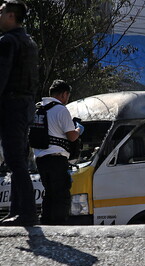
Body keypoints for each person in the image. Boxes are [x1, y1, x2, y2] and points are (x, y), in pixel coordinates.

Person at [0, 0, 39, 226]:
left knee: (15, 160)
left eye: (1, 12)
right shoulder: (29, 42)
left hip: (12, 106)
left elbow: (1, 78)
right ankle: (16, 211)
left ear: (11, 16)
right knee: (18, 160)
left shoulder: (8, 42)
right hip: (25, 106)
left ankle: (27, 213)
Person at [33, 80, 83, 225]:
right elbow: (72, 136)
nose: (67, 99)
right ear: (63, 94)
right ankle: (59, 228)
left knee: (49, 194)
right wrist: (79, 128)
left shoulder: (40, 109)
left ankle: (46, 224)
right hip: (56, 159)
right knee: (61, 195)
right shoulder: (61, 109)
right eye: (67, 95)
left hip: (40, 159)